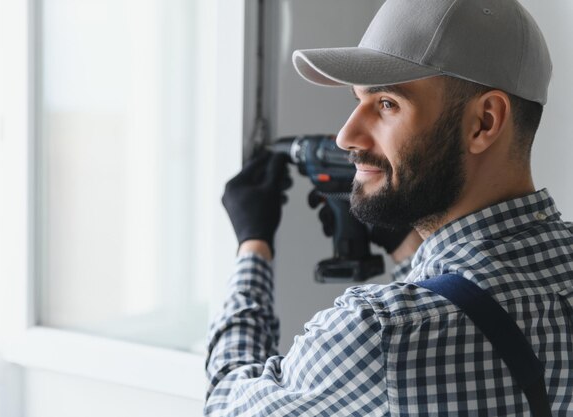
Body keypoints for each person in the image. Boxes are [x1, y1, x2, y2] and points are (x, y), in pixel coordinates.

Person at [205, 0, 573, 415]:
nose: (347, 135)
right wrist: (407, 252)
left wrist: (252, 247)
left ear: (484, 122)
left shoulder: (378, 334)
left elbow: (225, 406)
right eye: (358, 101)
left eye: (386, 104)